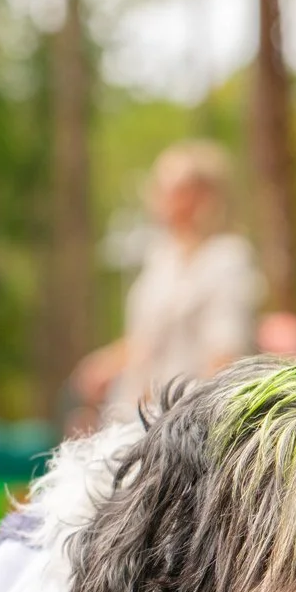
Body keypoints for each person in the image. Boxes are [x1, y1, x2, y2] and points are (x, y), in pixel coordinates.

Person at [73, 140, 261, 422]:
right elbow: (149, 338)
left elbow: (225, 355)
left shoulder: (227, 260)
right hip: (134, 418)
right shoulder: (162, 257)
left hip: (185, 428)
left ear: (202, 197)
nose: (155, 195)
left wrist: (190, 425)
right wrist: (109, 363)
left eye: (169, 188)